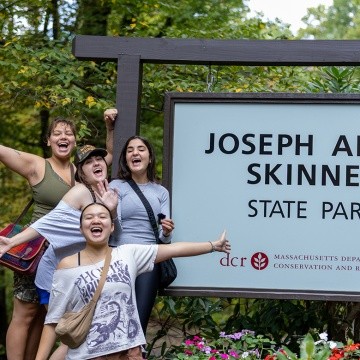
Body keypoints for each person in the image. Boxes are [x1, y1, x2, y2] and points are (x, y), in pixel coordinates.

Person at [34, 202, 230, 360]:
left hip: (128, 354)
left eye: (102, 217)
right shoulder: (67, 265)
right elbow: (53, 321)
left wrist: (213, 245)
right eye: (89, 217)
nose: (96, 220)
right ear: (81, 227)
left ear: (111, 227)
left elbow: (175, 249)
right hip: (88, 355)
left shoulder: (128, 253)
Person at [0, 110, 116, 360]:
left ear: (74, 141)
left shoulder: (82, 171)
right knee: (26, 313)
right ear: (48, 140)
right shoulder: (37, 164)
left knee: (46, 316)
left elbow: (108, 157)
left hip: (69, 251)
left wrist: (109, 128)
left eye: (69, 133)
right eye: (57, 133)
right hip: (36, 247)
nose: (63, 137)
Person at [109, 134, 175, 339]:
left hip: (149, 256)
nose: (135, 153)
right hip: (119, 255)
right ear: (126, 159)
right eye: (130, 150)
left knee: (139, 320)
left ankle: (137, 352)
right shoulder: (116, 186)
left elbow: (165, 240)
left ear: (149, 157)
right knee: (116, 318)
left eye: (140, 149)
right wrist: (111, 211)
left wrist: (166, 232)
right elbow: (114, 230)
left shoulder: (161, 192)